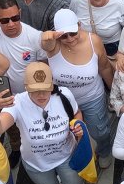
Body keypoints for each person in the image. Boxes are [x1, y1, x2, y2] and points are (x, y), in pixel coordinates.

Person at [0, 62, 94, 184]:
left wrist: (77, 125)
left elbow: (76, 112)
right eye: (35, 90)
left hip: (66, 155)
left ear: (52, 84)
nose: (42, 94)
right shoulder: (17, 103)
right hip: (36, 162)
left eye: (46, 88)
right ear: (26, 87)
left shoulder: (64, 94)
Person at [40, 11, 115, 161]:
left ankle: (104, 150)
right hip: (63, 101)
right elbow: (46, 44)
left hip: (92, 97)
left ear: (79, 25)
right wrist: (47, 38)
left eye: (73, 33)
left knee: (99, 131)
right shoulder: (53, 45)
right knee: (68, 133)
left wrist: (113, 92)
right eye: (64, 35)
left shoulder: (94, 41)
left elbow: (105, 67)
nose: (69, 39)